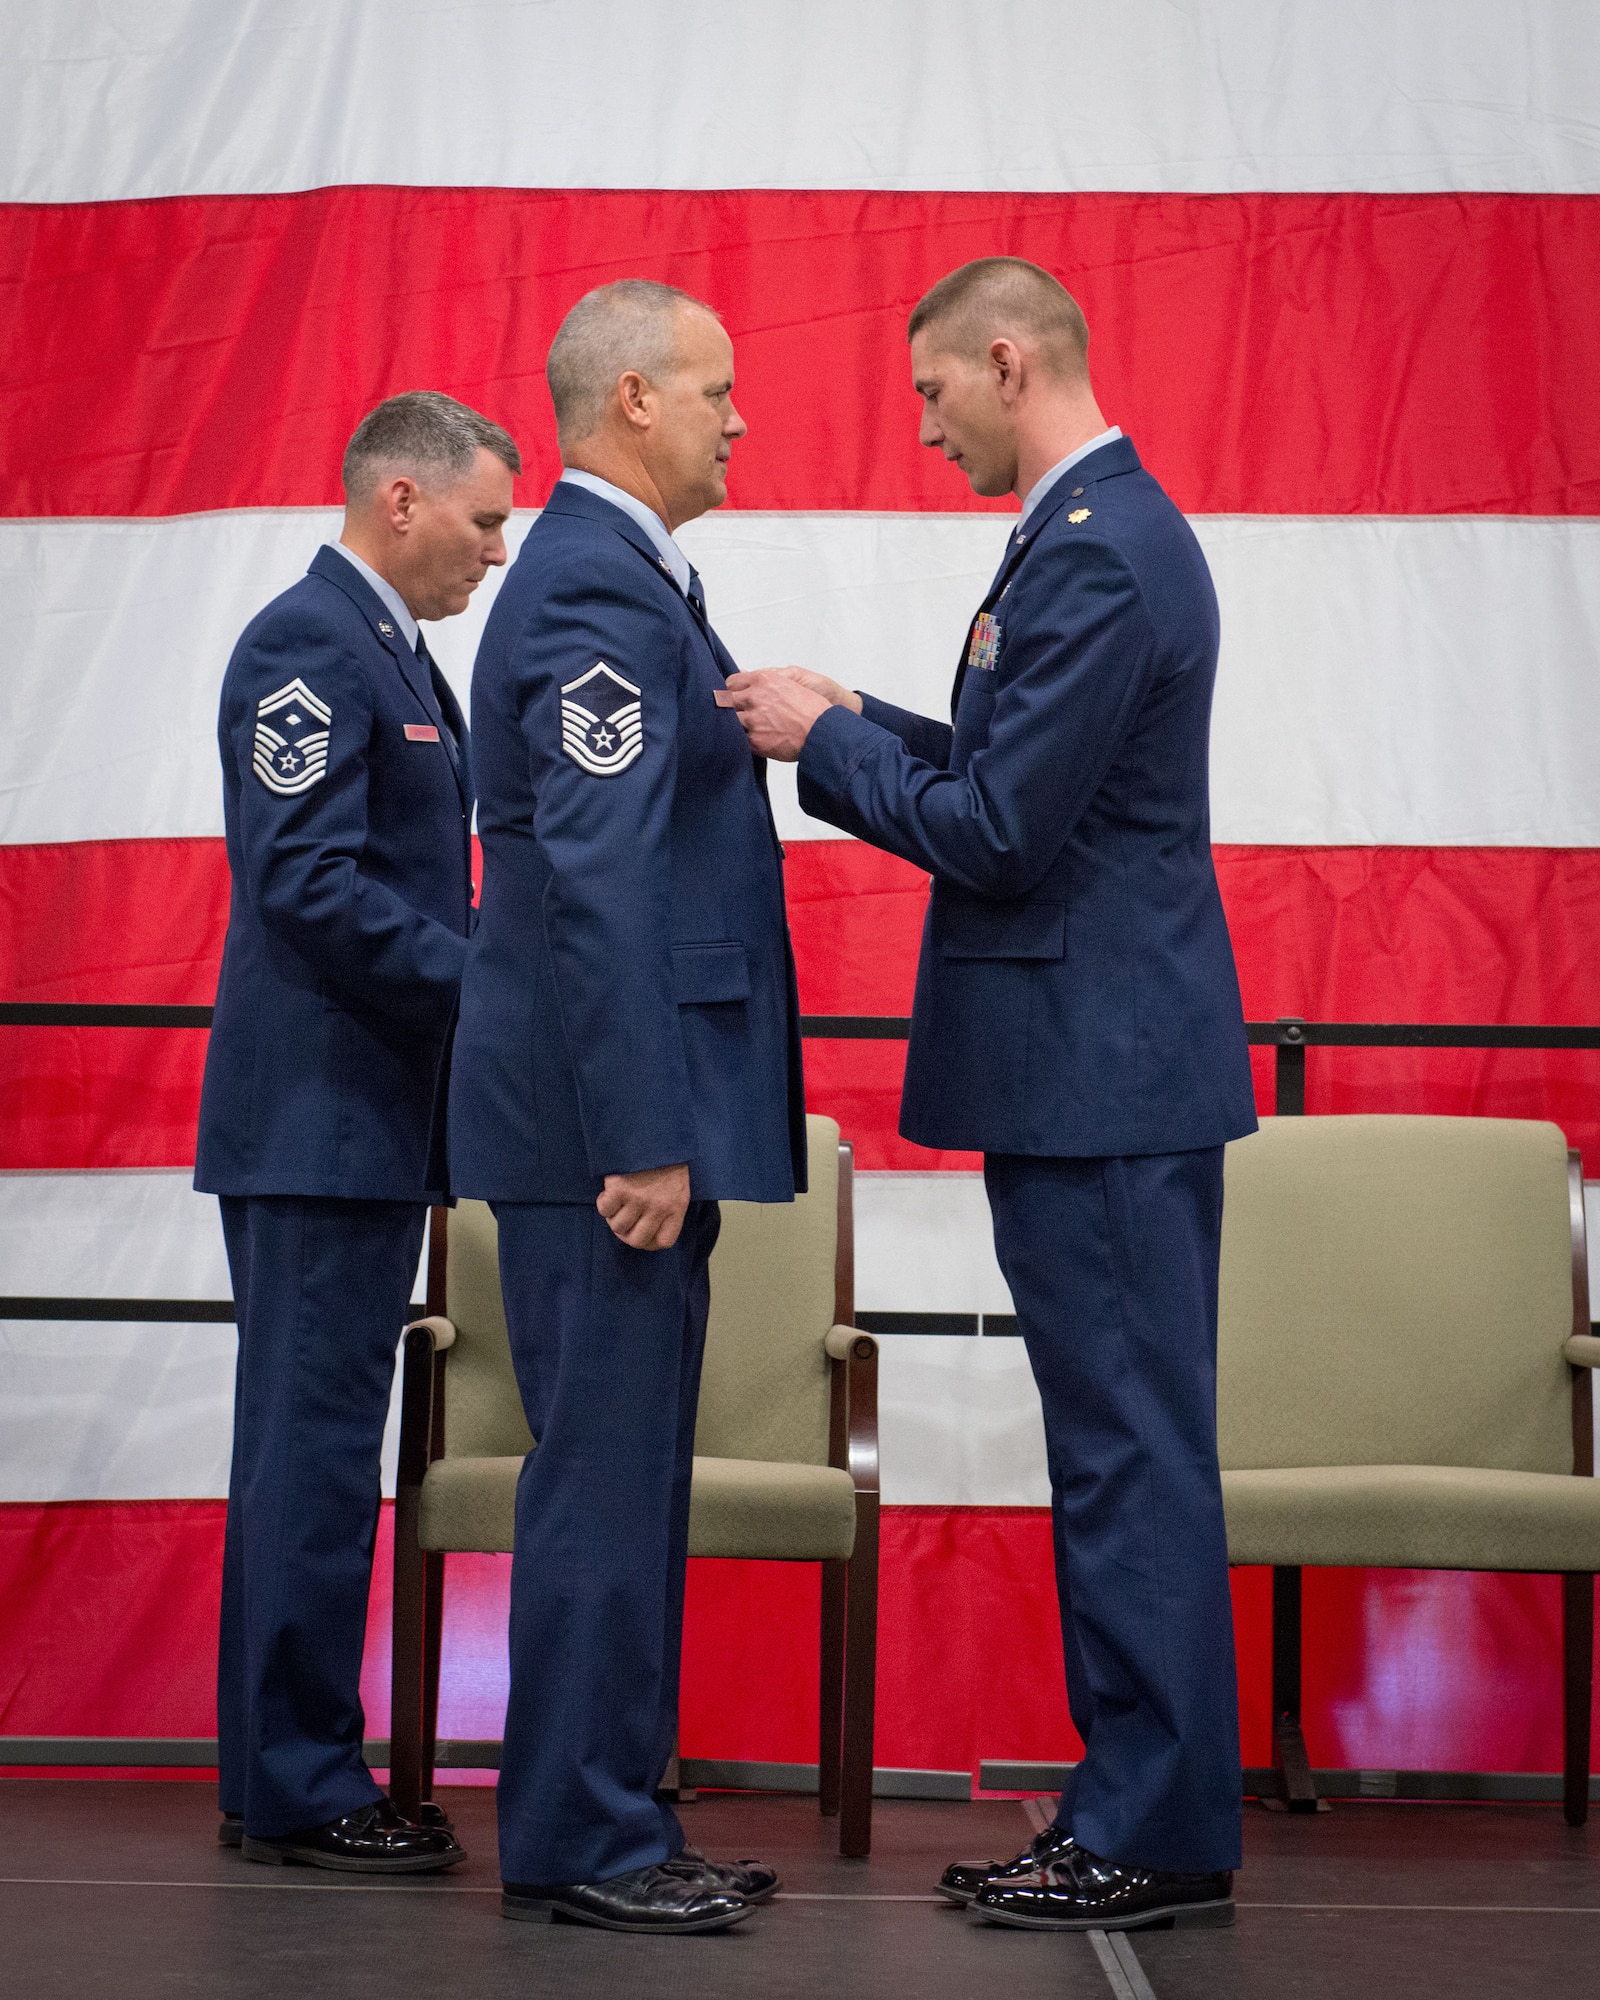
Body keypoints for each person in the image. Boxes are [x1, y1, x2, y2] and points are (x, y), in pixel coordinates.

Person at [721, 258, 1256, 1934]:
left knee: (1126, 1460)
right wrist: (856, 713)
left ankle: (1155, 1830)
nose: (927, 429)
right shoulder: (1083, 541)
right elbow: (1002, 759)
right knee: (1117, 1452)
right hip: (1091, 1081)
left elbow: (1007, 832)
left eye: (937, 395)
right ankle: (1129, 1805)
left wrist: (821, 750)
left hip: (1101, 1083)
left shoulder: (1101, 555)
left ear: (1009, 362)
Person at [448, 281, 807, 1934]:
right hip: (602, 1133)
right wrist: (642, 1133)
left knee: (634, 1468)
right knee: (599, 1476)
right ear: (638, 401)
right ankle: (583, 1838)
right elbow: (598, 884)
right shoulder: (593, 588)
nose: (742, 420)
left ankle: (617, 1815)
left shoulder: (630, 577)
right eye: (720, 393)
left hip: (616, 1114)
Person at [194, 391, 518, 1872]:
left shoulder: (384, 650)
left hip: (361, 1124)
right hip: (317, 1125)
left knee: (317, 1453)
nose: (498, 550)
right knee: (311, 1461)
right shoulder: (309, 646)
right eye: (483, 518)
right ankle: (302, 1783)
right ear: (401, 498)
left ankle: (288, 1770)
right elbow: (305, 886)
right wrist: (497, 983)